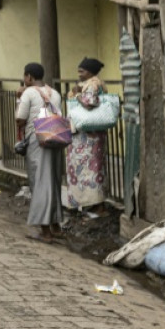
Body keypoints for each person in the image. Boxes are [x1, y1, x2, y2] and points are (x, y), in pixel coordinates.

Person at [16, 62, 65, 243]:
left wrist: (18, 99)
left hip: (38, 141)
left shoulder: (28, 93)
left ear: (29, 76)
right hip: (55, 138)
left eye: (25, 76)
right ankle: (56, 226)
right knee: (53, 182)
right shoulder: (55, 93)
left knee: (39, 183)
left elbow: (20, 119)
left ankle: (45, 232)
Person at [65, 58, 109, 215]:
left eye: (82, 71)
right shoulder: (92, 83)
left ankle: (97, 205)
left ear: (90, 72)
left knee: (90, 171)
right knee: (92, 170)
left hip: (88, 138)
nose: (79, 73)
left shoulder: (92, 84)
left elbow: (89, 103)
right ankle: (93, 204)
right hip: (90, 136)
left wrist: (77, 94)